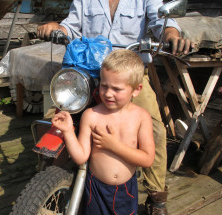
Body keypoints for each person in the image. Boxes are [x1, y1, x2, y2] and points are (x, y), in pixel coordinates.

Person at [37, 1, 195, 214]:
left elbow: (161, 23)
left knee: (156, 129)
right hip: (92, 71)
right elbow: (71, 26)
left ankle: (157, 197)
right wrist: (57, 28)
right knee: (58, 111)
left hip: (128, 76)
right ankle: (49, 180)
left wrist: (171, 33)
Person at [52, 49, 155, 215]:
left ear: (136, 90)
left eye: (117, 89)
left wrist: (114, 146)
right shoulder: (91, 115)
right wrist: (68, 132)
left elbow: (148, 159)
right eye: (104, 85)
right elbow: (81, 157)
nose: (108, 93)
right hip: (96, 189)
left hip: (125, 191)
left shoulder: (141, 117)